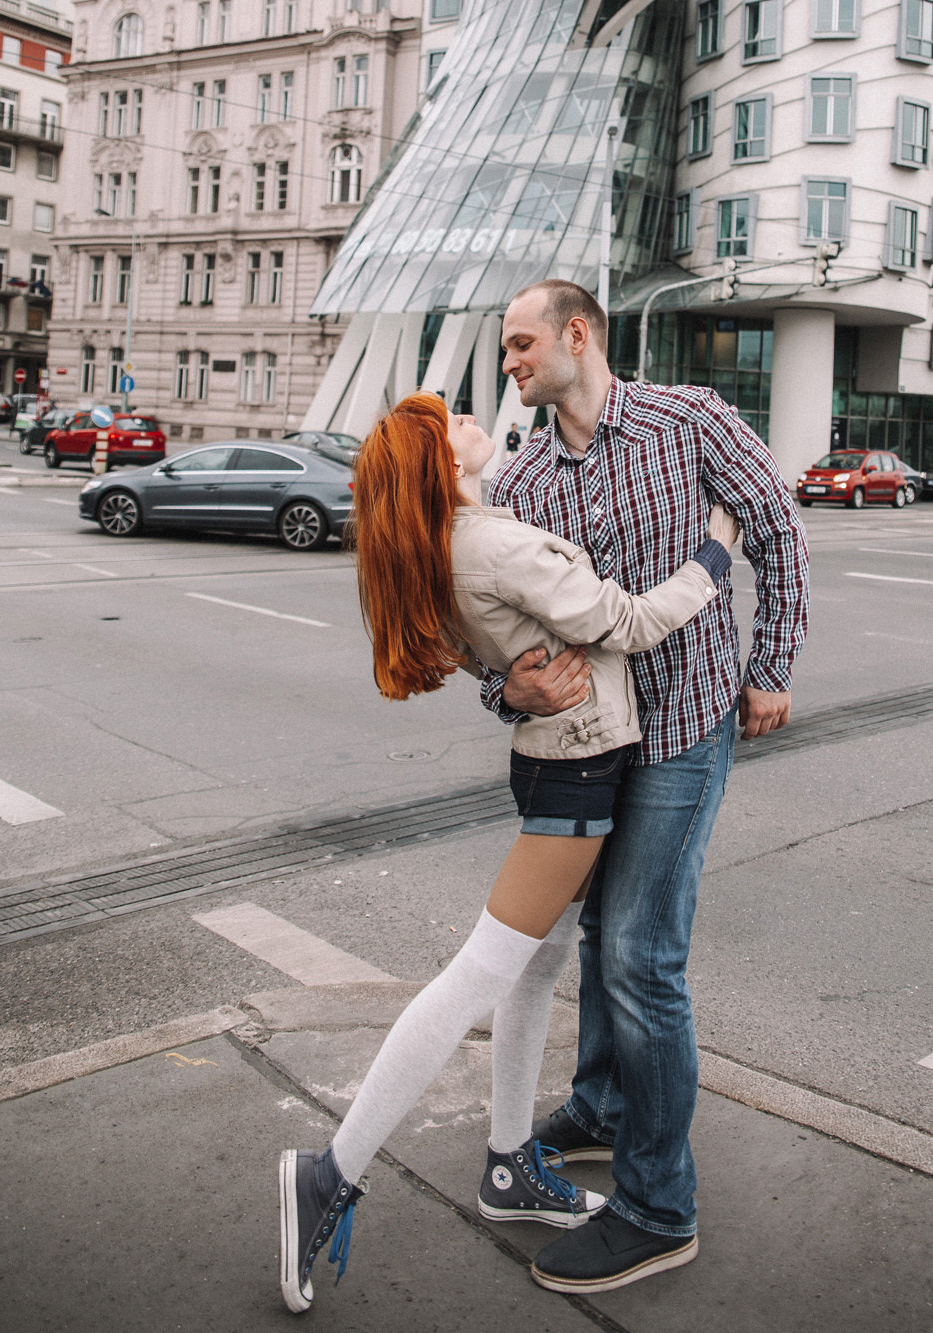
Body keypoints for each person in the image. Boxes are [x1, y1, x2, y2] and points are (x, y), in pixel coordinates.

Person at [278, 390, 740, 1313]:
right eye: (446, 421)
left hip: (559, 764)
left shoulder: (449, 537)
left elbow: (490, 604)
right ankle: (328, 1170)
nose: (464, 418)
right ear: (438, 465)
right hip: (573, 776)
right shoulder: (490, 544)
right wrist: (713, 553)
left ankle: (505, 1165)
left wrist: (505, 676)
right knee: (481, 973)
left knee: (533, 971)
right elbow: (628, 623)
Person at [487, 279, 808, 1294]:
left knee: (639, 951)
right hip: (590, 739)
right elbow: (501, 631)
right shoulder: (522, 479)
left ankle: (658, 1204)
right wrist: (508, 688)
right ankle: (599, 1106)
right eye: (506, 348)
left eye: (520, 342)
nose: (510, 363)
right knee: (596, 935)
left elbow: (778, 530)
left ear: (576, 335)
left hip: (683, 723)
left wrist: (770, 666)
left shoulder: (687, 420)